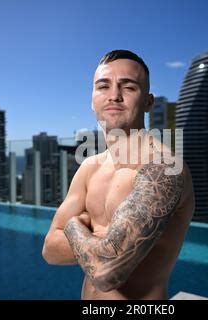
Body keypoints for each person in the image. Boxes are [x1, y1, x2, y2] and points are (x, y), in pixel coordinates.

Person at [42, 50, 195, 300]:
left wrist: (72, 225)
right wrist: (102, 242)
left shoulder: (163, 169)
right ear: (92, 101)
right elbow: (49, 249)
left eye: (129, 87)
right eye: (103, 86)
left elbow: (105, 271)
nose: (114, 95)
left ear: (148, 102)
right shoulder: (89, 167)